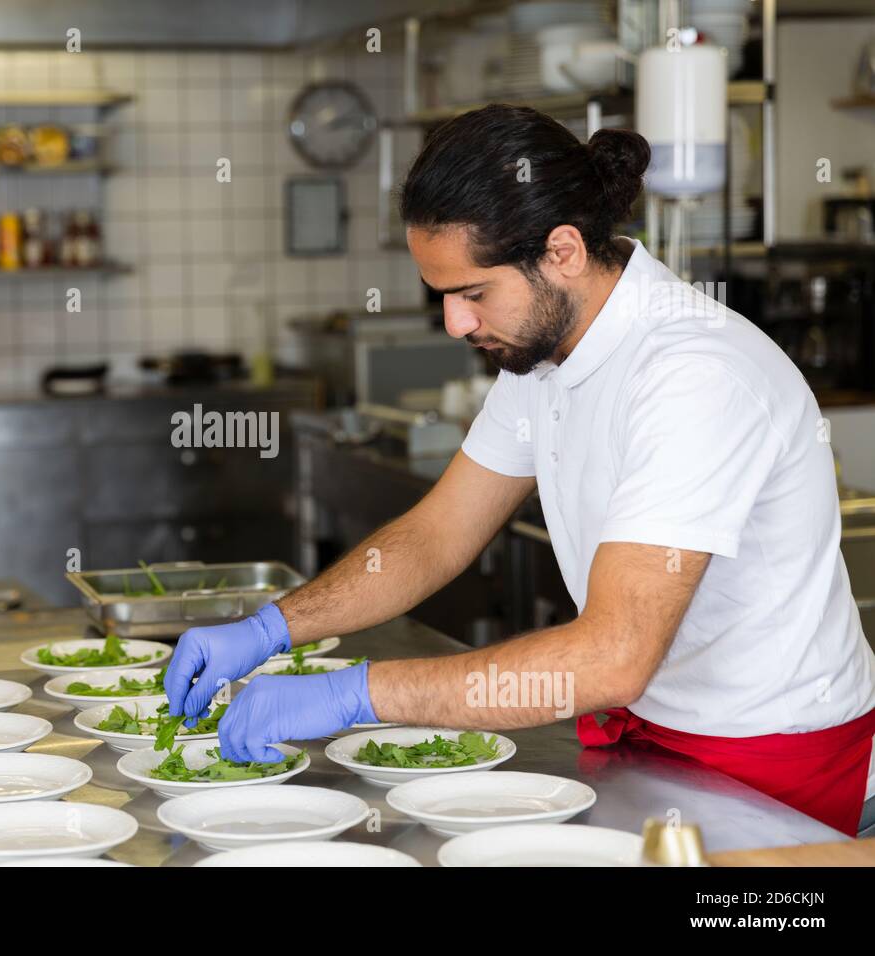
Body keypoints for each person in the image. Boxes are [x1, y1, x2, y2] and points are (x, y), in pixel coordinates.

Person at [164, 104, 875, 837]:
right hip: (650, 738)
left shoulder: (693, 374)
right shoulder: (544, 356)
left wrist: (359, 694)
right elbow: (439, 533)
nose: (456, 324)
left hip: (771, 758)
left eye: (473, 293)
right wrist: (274, 628)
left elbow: (612, 654)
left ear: (563, 251)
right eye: (441, 296)